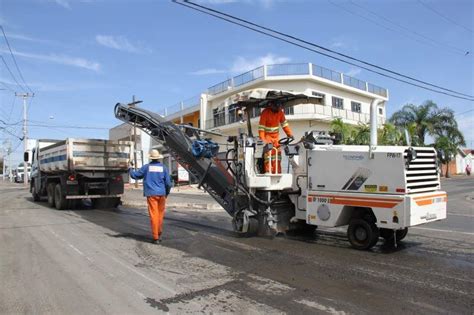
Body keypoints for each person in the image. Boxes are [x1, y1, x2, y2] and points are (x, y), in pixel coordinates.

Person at [129, 149, 172, 244]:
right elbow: (168, 183)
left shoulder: (146, 167)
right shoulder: (163, 168)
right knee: (160, 215)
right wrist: (167, 193)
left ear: (151, 158)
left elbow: (135, 176)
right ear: (158, 158)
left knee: (154, 215)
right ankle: (159, 233)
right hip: (162, 194)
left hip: (152, 195)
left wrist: (130, 168)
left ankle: (155, 237)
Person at [258, 102, 294, 173]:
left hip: (276, 139)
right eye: (277, 108)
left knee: (278, 156)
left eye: (279, 108)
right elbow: (261, 129)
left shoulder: (280, 112)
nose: (278, 109)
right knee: (268, 157)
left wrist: (290, 134)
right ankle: (268, 173)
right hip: (267, 138)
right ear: (271, 106)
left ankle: (278, 172)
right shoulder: (265, 113)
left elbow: (284, 124)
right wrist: (263, 141)